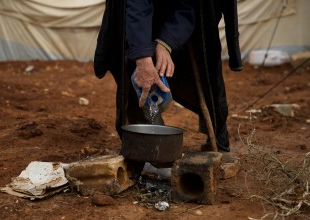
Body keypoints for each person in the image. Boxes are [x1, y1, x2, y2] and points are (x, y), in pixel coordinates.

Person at [94, 0, 243, 154]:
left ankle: (215, 138)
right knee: (139, 79)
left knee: (205, 66)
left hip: (186, 18)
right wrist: (142, 56)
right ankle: (151, 147)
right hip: (137, 24)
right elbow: (137, 7)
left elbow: (189, 6)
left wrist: (166, 42)